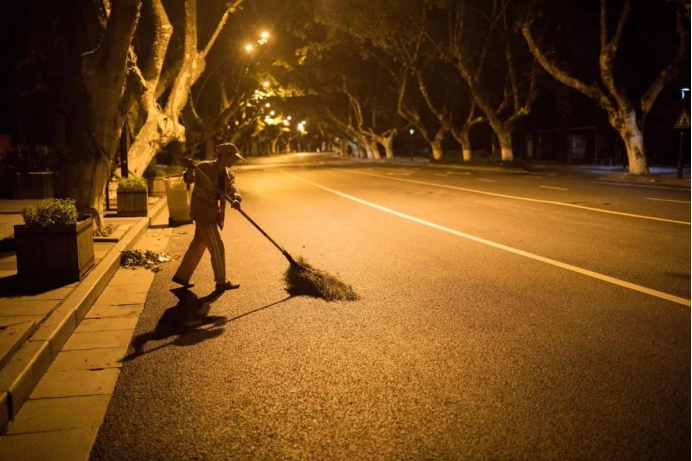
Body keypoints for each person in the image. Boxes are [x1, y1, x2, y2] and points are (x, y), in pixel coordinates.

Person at [172, 143, 245, 291]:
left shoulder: (229, 174)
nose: (234, 161)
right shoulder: (204, 167)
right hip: (202, 214)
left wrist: (236, 198)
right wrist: (190, 169)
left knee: (198, 244)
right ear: (223, 156)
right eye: (232, 157)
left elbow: (232, 187)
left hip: (214, 214)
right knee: (217, 246)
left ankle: (182, 276)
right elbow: (189, 179)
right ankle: (221, 281)